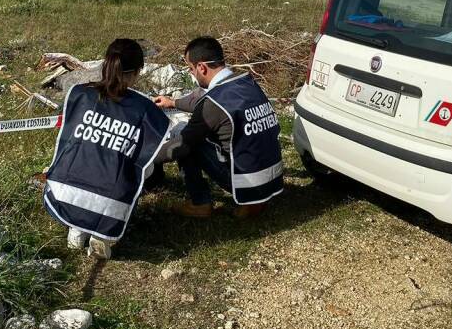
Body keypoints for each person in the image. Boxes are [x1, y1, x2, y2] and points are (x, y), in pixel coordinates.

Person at [43, 38, 171, 260]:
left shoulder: (80, 94)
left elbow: (68, 141)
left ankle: (76, 231)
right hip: (110, 199)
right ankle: (103, 238)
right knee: (145, 171)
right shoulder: (145, 110)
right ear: (137, 72)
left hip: (64, 191)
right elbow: (146, 157)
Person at [154, 36, 283, 219]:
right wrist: (172, 102)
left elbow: (181, 146)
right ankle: (257, 200)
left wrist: (147, 159)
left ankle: (200, 204)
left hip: (248, 183)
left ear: (201, 67)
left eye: (190, 69)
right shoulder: (247, 82)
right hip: (273, 178)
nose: (191, 73)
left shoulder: (213, 103)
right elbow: (208, 101)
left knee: (186, 139)